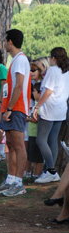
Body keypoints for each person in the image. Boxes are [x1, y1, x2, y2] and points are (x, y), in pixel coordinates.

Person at [0, 29, 31, 197]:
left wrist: (9, 109)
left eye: (5, 39)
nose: (4, 42)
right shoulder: (15, 60)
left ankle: (19, 183)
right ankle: (10, 179)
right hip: (9, 108)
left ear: (10, 42)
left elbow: (19, 86)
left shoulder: (21, 60)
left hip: (17, 108)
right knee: (9, 145)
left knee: (18, 145)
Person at [33, 47, 69, 184]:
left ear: (53, 58)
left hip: (50, 108)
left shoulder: (53, 70)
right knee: (52, 139)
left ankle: (51, 171)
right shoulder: (66, 71)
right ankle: (49, 170)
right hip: (61, 108)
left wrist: (37, 106)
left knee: (41, 140)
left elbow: (47, 91)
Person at [26, 83, 44, 179]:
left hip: (37, 134)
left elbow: (36, 119)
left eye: (34, 91)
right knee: (32, 155)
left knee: (38, 157)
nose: (32, 93)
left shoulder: (40, 106)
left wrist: (27, 118)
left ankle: (38, 174)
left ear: (40, 93)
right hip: (31, 134)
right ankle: (34, 174)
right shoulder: (35, 104)